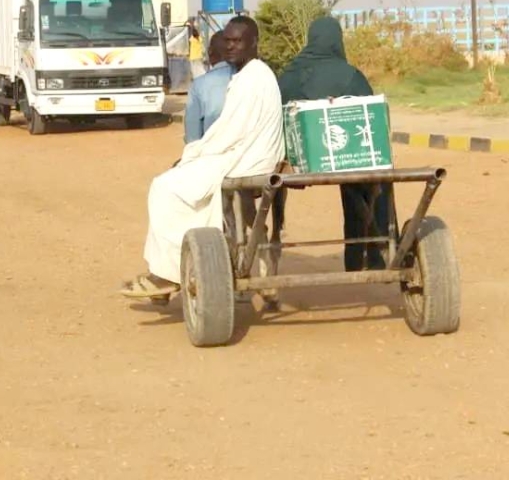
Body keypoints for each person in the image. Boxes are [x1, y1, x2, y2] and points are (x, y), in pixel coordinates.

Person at [121, 16, 284, 298]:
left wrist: (193, 153)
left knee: (165, 187)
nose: (231, 47)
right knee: (184, 182)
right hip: (242, 153)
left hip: (246, 158)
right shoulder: (249, 75)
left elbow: (228, 134)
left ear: (254, 43)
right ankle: (177, 267)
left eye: (238, 41)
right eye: (228, 41)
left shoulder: (252, 78)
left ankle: (166, 274)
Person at [277, 15, 391, 272]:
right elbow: (370, 116)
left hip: (292, 161)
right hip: (345, 158)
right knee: (372, 182)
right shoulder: (350, 75)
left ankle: (276, 231)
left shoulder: (288, 75)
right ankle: (371, 250)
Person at [183, 30, 234, 143]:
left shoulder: (199, 86)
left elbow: (192, 138)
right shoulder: (251, 78)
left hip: (213, 156)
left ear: (210, 52)